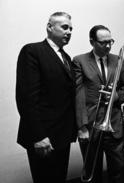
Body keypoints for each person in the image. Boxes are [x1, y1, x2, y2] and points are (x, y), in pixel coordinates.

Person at [16, 12, 77, 183]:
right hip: (43, 138)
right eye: (64, 27)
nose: (69, 32)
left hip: (63, 136)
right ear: (49, 27)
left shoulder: (66, 57)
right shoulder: (32, 51)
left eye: (71, 29)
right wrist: (39, 136)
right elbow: (26, 98)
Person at [73, 25, 124, 183]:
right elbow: (78, 94)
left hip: (113, 125)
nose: (108, 45)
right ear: (92, 42)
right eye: (103, 42)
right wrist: (82, 127)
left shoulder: (118, 60)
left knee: (119, 172)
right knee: (93, 173)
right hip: (91, 126)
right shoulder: (80, 61)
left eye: (110, 41)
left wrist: (117, 96)